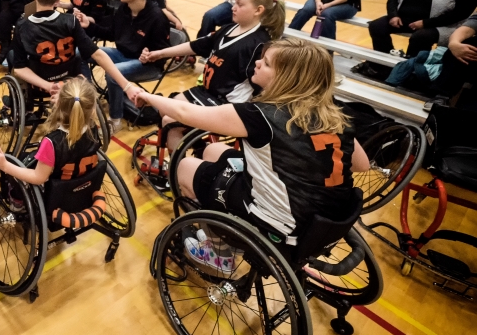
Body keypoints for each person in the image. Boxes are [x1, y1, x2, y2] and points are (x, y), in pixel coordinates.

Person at [133, 37, 370, 266]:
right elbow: (362, 165)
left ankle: (219, 250)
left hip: (282, 223)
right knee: (213, 150)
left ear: (287, 78)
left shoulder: (260, 115)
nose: (257, 62)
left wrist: (146, 96)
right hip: (325, 220)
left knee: (184, 167)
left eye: (266, 63)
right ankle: (217, 220)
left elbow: (184, 114)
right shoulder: (336, 116)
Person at [140, 0, 286, 152]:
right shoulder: (228, 28)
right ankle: (198, 148)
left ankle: (176, 175)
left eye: (240, 4)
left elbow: (263, 85)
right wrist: (159, 54)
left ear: (258, 10)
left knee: (170, 123)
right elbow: (197, 46)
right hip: (207, 93)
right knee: (165, 108)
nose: (233, 7)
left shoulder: (259, 44)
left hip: (226, 103)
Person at [10, 0, 140, 109]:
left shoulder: (22, 26)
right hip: (69, 79)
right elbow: (98, 55)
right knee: (80, 56)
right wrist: (127, 86)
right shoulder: (70, 21)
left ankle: (19, 106)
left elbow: (20, 68)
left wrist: (49, 86)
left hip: (41, 85)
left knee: (13, 57)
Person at [0, 79, 108, 229]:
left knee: (18, 161)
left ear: (58, 105)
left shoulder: (52, 143)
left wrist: (5, 165)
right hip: (82, 190)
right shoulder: (93, 129)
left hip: (55, 197)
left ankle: (17, 203)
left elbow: (38, 177)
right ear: (93, 110)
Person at [355, 0, 477, 80]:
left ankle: (411, 71)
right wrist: (393, 15)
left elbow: (459, 14)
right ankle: (382, 65)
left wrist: (425, 23)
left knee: (421, 36)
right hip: (406, 20)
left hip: (443, 26)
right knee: (377, 25)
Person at [76, 0, 170, 133]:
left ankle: (115, 119)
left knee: (113, 74)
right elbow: (111, 33)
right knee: (80, 52)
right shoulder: (124, 10)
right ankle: (90, 97)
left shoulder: (157, 17)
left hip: (147, 65)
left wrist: (150, 56)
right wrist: (89, 25)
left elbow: (163, 54)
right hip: (123, 55)